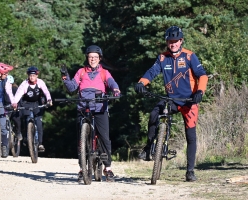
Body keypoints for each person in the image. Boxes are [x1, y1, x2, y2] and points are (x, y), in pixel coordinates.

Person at [134, 26, 208, 182]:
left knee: (191, 136)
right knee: (154, 113)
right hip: (171, 99)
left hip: (189, 101)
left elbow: (202, 75)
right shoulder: (162, 58)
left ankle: (190, 171)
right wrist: (142, 82)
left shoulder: (189, 56)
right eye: (170, 41)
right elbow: (152, 72)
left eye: (175, 41)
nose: (173, 44)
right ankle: (149, 149)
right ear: (167, 42)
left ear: (181, 41)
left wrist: (199, 92)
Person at [60, 45, 121, 182]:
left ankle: (108, 168)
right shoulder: (81, 72)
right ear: (87, 58)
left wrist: (116, 90)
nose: (92, 59)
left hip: (100, 108)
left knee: (105, 138)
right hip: (83, 108)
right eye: (90, 57)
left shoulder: (105, 73)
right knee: (80, 141)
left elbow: (112, 84)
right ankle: (82, 169)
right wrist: (65, 77)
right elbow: (72, 88)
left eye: (95, 57)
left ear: (99, 58)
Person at [13, 66, 52, 152]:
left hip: (37, 104)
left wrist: (49, 100)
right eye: (30, 75)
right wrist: (15, 103)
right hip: (26, 103)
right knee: (27, 118)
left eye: (34, 76)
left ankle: (40, 143)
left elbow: (46, 91)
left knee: (38, 122)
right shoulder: (25, 84)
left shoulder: (40, 82)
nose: (32, 77)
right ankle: (27, 138)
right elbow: (19, 93)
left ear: (37, 76)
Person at [4, 75, 23, 141]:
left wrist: (19, 106)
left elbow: (19, 99)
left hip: (14, 108)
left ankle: (18, 133)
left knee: (16, 120)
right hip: (5, 108)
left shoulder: (15, 89)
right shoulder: (3, 90)